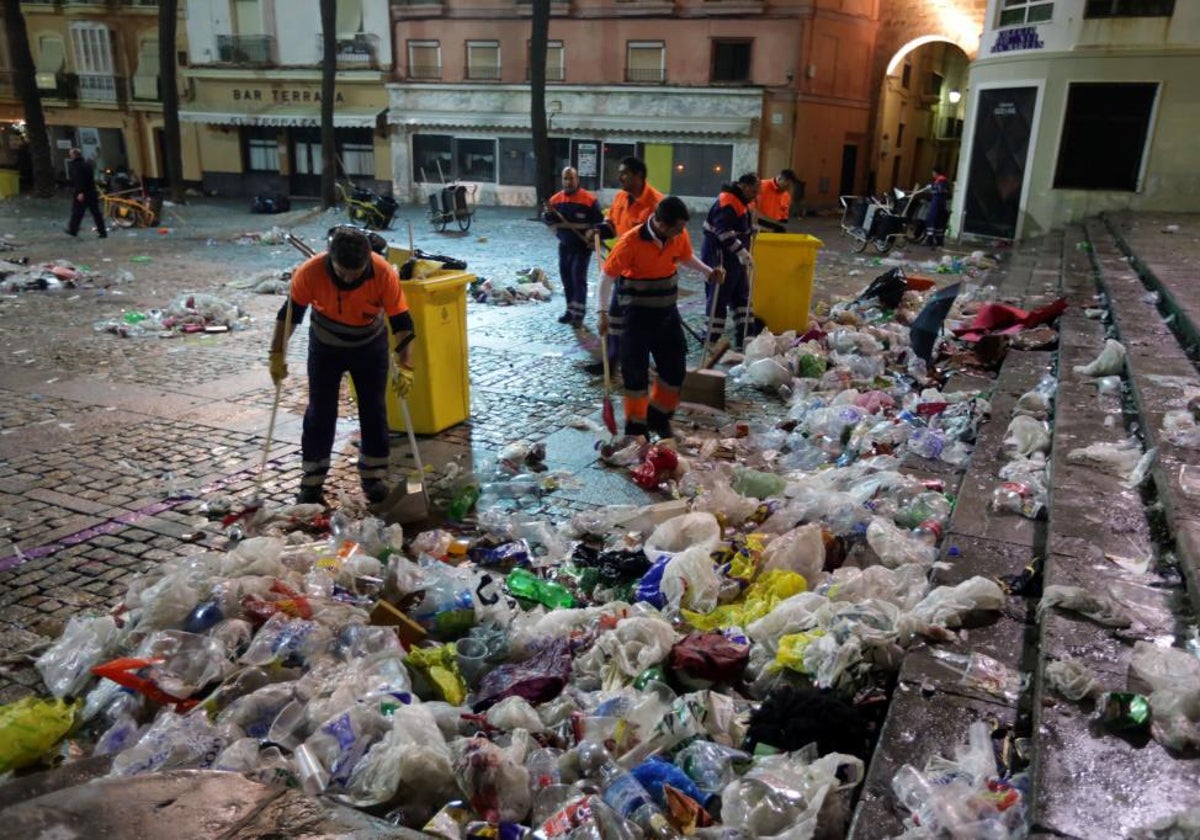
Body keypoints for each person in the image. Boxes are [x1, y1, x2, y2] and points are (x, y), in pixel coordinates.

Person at [268, 226, 416, 506]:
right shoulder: (310, 273)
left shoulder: (383, 273)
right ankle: (312, 481)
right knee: (321, 411)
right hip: (326, 345)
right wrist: (276, 354)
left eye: (356, 272)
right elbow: (289, 315)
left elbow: (402, 324)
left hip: (369, 345)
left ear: (367, 262)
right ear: (330, 259)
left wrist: (406, 365)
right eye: (342, 271)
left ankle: (374, 477)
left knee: (373, 409)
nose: (348, 277)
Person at [598, 196, 725, 440]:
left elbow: (686, 257)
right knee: (635, 376)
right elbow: (606, 278)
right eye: (678, 228)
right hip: (635, 318)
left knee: (674, 370)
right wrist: (601, 312)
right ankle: (636, 431)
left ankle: (658, 418)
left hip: (667, 314)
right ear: (662, 225)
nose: (682, 233)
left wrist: (709, 273)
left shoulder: (678, 236)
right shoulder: (630, 243)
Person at [588, 156, 664, 376]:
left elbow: (661, 240)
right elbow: (612, 225)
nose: (620, 177)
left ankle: (651, 362)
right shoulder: (621, 197)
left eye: (625, 173)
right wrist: (599, 230)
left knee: (647, 323)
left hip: (646, 276)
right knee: (615, 318)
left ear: (639, 176)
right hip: (623, 270)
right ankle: (610, 362)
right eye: (620, 173)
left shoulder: (656, 204)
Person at [700, 173, 758, 351]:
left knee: (742, 296)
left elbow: (736, 226)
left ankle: (745, 338)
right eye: (754, 190)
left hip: (734, 259)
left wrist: (749, 230)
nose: (756, 195)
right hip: (721, 257)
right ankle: (709, 339)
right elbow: (723, 232)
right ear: (744, 186)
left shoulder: (739, 202)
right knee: (719, 296)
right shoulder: (728, 202)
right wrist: (742, 251)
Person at [542, 166, 603, 327]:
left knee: (578, 278)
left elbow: (599, 222)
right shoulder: (555, 200)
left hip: (582, 246)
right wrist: (548, 214)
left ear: (578, 180)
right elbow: (549, 220)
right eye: (565, 178)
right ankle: (570, 311)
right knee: (566, 279)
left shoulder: (589, 200)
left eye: (571, 178)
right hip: (565, 246)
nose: (568, 182)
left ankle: (579, 314)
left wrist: (593, 234)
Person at [64, 148, 107, 239]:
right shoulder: (87, 164)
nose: (70, 156)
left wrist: (80, 192)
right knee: (96, 213)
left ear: (74, 155)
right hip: (92, 191)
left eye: (71, 154)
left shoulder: (76, 166)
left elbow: (79, 180)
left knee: (77, 212)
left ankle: (73, 230)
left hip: (82, 192)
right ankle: (102, 232)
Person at [923, 166, 950, 247]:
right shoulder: (941, 181)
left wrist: (932, 188)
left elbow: (939, 190)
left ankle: (930, 240)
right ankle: (938, 241)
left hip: (937, 205)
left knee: (931, 221)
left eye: (933, 173)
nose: (932, 174)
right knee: (938, 223)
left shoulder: (941, 181)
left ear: (935, 172)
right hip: (940, 205)